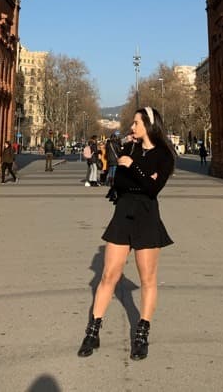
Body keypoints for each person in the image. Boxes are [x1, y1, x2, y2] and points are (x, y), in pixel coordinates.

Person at [77, 107, 175, 361]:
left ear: (149, 126)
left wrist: (134, 168)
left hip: (146, 217)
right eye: (132, 123)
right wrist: (137, 173)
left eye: (136, 123)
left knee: (147, 278)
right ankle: (93, 331)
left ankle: (142, 333)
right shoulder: (128, 148)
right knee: (109, 274)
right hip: (122, 215)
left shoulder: (165, 155)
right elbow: (118, 182)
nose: (132, 127)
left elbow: (153, 188)